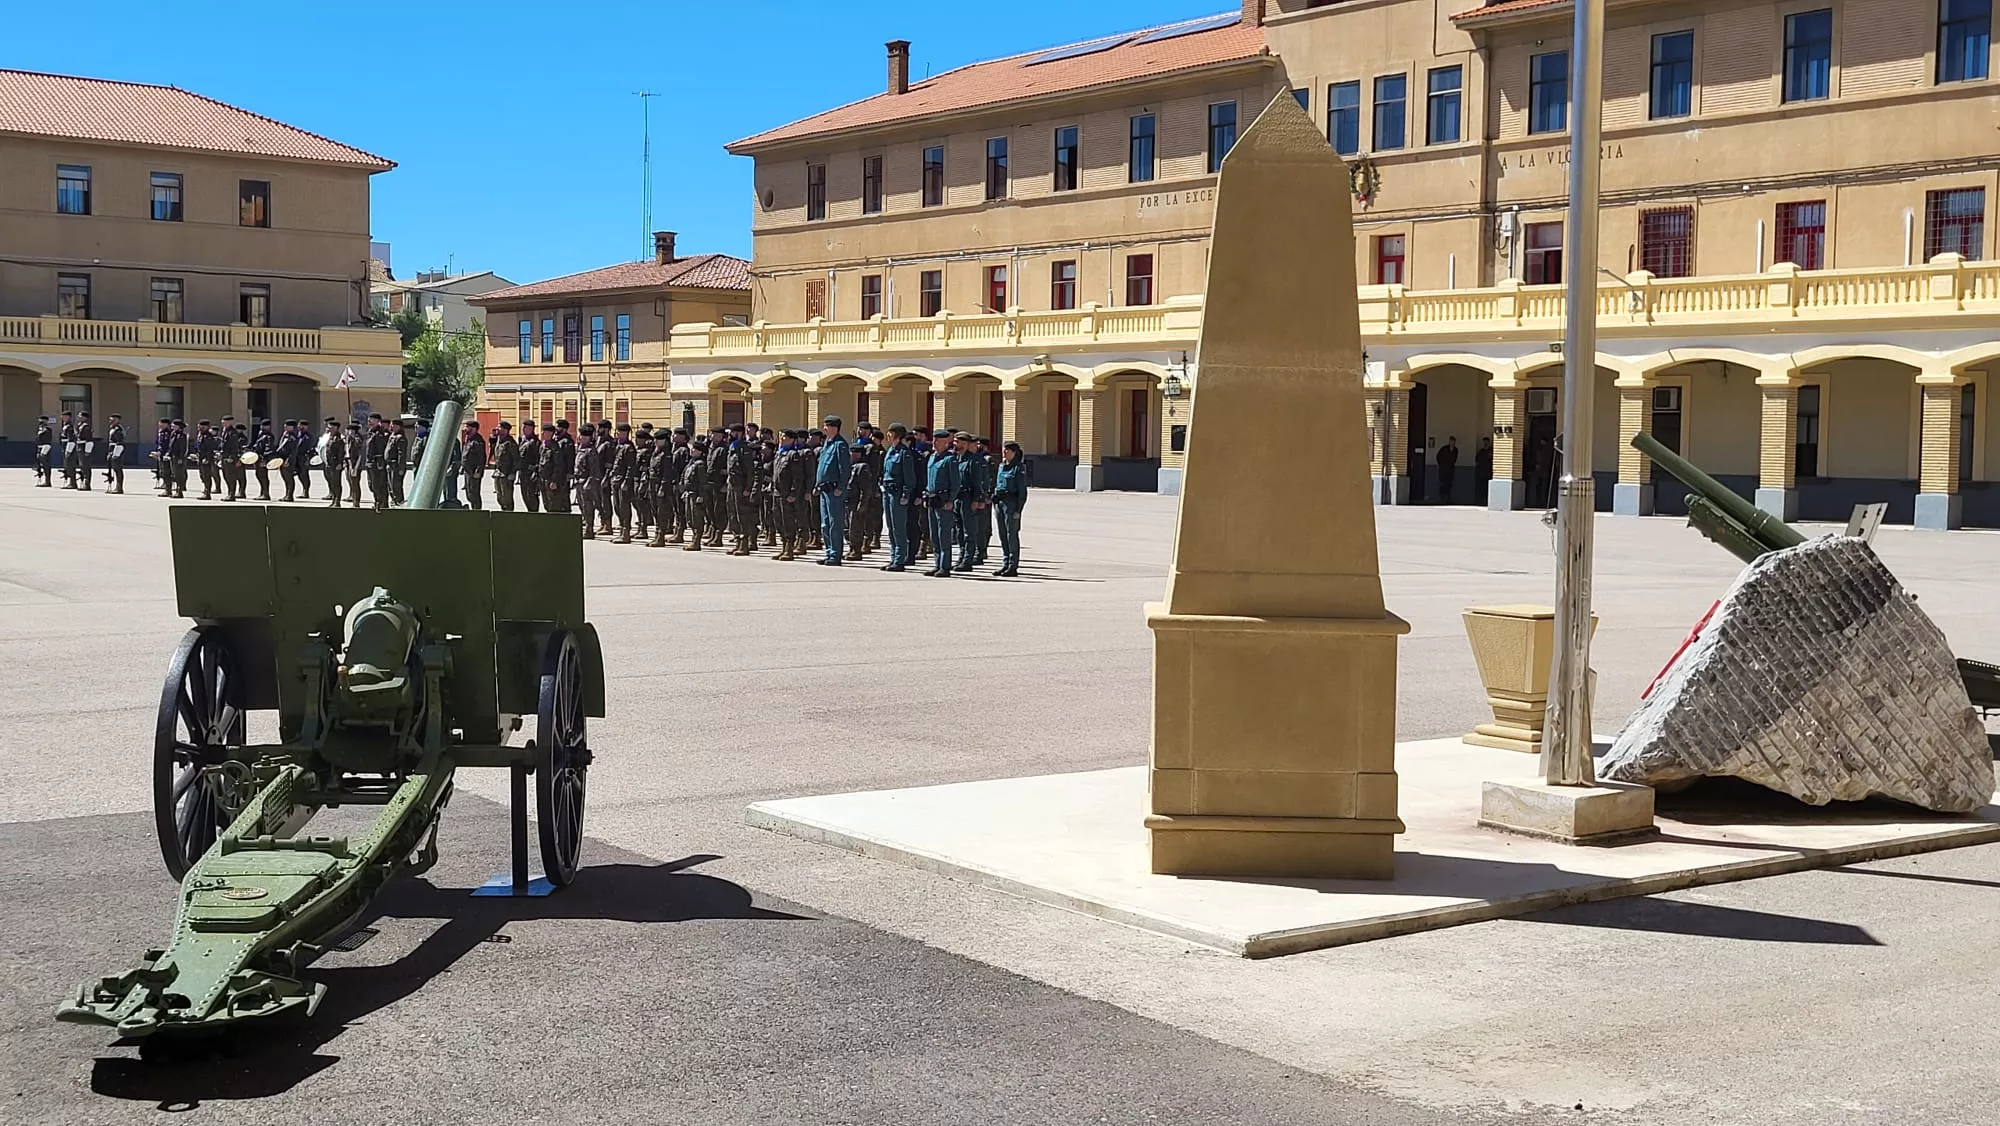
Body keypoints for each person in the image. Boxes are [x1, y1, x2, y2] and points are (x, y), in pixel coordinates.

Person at [879, 424, 919, 571]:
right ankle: (893, 557)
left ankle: (900, 559)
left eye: (890, 433)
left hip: (898, 494)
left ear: (897, 435)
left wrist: (906, 494)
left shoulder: (904, 453)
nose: (888, 436)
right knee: (890, 527)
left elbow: (910, 478)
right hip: (887, 492)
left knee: (899, 528)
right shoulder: (890, 452)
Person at [922, 428, 962, 577]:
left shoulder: (950, 459)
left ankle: (945, 566)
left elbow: (956, 483)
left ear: (946, 443)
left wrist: (951, 500)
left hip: (944, 501)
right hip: (932, 499)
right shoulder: (932, 458)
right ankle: (937, 563)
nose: (933, 443)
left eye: (937, 441)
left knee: (943, 534)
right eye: (933, 440)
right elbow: (929, 479)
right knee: (934, 534)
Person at [814, 415, 849, 565]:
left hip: (834, 489)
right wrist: (817, 484)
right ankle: (829, 552)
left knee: (835, 523)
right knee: (825, 523)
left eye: (827, 426)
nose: (824, 428)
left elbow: (845, 469)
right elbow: (821, 467)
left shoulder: (840, 445)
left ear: (834, 427)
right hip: (824, 489)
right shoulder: (827, 444)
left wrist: (841, 487)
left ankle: (835, 554)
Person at [992, 440, 1029, 577]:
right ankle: (1006, 563)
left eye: (1007, 450)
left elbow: (1022, 492)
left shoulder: (1018, 468)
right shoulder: (1001, 466)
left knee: (1011, 534)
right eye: (1004, 449)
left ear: (1014, 452)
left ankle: (1013, 565)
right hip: (1000, 503)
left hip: (1011, 504)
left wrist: (1018, 510)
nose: (1004, 452)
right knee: (1002, 534)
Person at [845, 439, 877, 562]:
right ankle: (851, 547)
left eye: (855, 452)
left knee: (855, 527)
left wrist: (863, 503)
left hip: (855, 500)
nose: (852, 455)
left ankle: (856, 549)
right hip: (847, 500)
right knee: (846, 527)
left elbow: (865, 489)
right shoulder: (849, 466)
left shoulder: (863, 467)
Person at [609, 423, 640, 543]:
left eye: (619, 432)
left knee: (624, 507)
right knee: (617, 506)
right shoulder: (618, 446)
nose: (617, 434)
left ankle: (626, 532)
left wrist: (627, 482)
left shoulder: (629, 447)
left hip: (623, 480)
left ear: (625, 433)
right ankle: (622, 530)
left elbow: (630, 467)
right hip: (616, 479)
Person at [679, 435, 709, 551]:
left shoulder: (700, 464)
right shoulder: (691, 463)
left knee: (696, 518)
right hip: (688, 493)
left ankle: (696, 541)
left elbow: (702, 482)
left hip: (696, 494)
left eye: (695, 449)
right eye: (692, 448)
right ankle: (693, 539)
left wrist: (701, 495)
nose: (692, 450)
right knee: (690, 518)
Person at [574, 425, 602, 539]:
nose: (580, 437)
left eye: (582, 436)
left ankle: (589, 529)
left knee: (588, 506)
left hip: (587, 483)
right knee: (582, 506)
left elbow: (594, 470)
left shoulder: (591, 451)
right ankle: (586, 526)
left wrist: (589, 483)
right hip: (579, 481)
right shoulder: (580, 449)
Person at [365, 414, 392, 510]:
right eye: (369, 419)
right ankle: (377, 501)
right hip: (370, 463)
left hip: (378, 463)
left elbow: (381, 449)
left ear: (378, 421)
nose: (369, 421)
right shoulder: (370, 432)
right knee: (371, 485)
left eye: (371, 419)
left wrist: (380, 462)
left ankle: (382, 504)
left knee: (379, 485)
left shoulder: (381, 433)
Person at [491, 421, 518, 512]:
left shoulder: (510, 443)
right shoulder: (499, 441)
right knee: (499, 497)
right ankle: (503, 512)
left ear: (506, 430)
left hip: (506, 474)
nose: (497, 428)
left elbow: (516, 459)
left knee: (507, 498)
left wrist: (513, 473)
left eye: (499, 427)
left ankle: (509, 515)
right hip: (498, 473)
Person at [461, 419, 488, 510]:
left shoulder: (478, 441)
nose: (465, 429)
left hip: (474, 472)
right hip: (468, 471)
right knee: (469, 494)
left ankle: (477, 511)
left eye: (467, 427)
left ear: (474, 429)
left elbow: (482, 458)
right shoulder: (468, 439)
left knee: (474, 494)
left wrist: (478, 471)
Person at [320, 418, 346, 507]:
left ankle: (337, 501)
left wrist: (340, 463)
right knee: (331, 482)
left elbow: (341, 452)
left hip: (335, 464)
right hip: (329, 463)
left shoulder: (339, 439)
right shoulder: (330, 437)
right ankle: (334, 499)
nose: (329, 429)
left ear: (336, 428)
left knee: (336, 483)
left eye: (331, 427)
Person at [194, 419, 221, 499]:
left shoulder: (208, 436)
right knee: (202, 475)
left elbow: (209, 449)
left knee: (207, 475)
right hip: (200, 457)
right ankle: (206, 490)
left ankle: (207, 492)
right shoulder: (200, 435)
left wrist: (207, 458)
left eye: (201, 426)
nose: (199, 427)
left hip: (206, 459)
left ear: (205, 426)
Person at [250, 419, 276, 500]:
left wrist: (264, 459)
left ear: (269, 427)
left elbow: (268, 448)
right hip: (257, 457)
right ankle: (262, 493)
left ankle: (266, 494)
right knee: (259, 475)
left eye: (265, 426)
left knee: (263, 476)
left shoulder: (269, 436)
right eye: (262, 425)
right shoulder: (260, 434)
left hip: (263, 458)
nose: (263, 427)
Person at [165, 419, 190, 498]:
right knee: (174, 474)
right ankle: (176, 490)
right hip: (173, 457)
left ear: (179, 427)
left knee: (179, 475)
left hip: (179, 457)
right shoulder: (173, 434)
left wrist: (181, 458)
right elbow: (170, 446)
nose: (172, 426)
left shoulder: (182, 436)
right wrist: (168, 454)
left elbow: (183, 448)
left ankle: (179, 491)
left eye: (174, 425)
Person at [343, 421, 365, 507]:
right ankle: (353, 499)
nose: (349, 432)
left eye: (351, 430)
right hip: (349, 463)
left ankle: (356, 502)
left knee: (355, 484)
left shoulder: (357, 440)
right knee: (351, 483)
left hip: (355, 464)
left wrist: (355, 467)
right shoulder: (349, 439)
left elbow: (359, 454)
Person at [104, 415, 126, 494]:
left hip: (116, 450)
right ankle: (116, 486)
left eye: (112, 420)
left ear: (117, 420)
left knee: (117, 469)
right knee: (113, 468)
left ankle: (119, 487)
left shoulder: (118, 429)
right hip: (112, 450)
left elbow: (119, 443)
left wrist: (115, 454)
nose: (110, 421)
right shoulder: (113, 429)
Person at [74, 412, 95, 492]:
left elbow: (89, 440)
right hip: (80, 447)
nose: (78, 417)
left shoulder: (86, 427)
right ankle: (83, 483)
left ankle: (87, 484)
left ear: (84, 417)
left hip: (84, 447)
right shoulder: (80, 425)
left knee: (86, 466)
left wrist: (87, 451)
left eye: (80, 416)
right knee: (82, 466)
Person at [1436, 436, 1460, 505]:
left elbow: (1455, 458)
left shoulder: (1455, 450)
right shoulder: (1444, 449)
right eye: (1451, 441)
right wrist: (1441, 465)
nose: (1452, 443)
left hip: (1451, 469)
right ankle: (1442, 498)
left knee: (1450, 484)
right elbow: (1438, 456)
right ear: (1449, 441)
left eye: (1453, 441)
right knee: (1443, 484)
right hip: (1443, 469)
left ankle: (1448, 498)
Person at [33, 416, 55, 487]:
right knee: (41, 464)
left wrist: (44, 451)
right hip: (40, 447)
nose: (40, 423)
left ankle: (47, 481)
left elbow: (48, 440)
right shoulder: (39, 429)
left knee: (46, 465)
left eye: (42, 421)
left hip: (45, 447)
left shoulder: (48, 429)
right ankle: (44, 480)